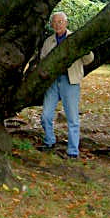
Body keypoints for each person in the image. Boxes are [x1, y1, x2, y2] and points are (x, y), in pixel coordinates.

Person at [39, 12, 94, 158]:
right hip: (52, 82)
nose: (58, 24)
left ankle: (73, 151)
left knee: (72, 118)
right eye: (55, 22)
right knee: (46, 115)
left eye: (60, 21)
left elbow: (89, 59)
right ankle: (49, 141)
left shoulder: (75, 38)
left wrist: (84, 48)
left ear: (66, 23)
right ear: (51, 24)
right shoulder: (48, 42)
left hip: (70, 81)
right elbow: (42, 60)